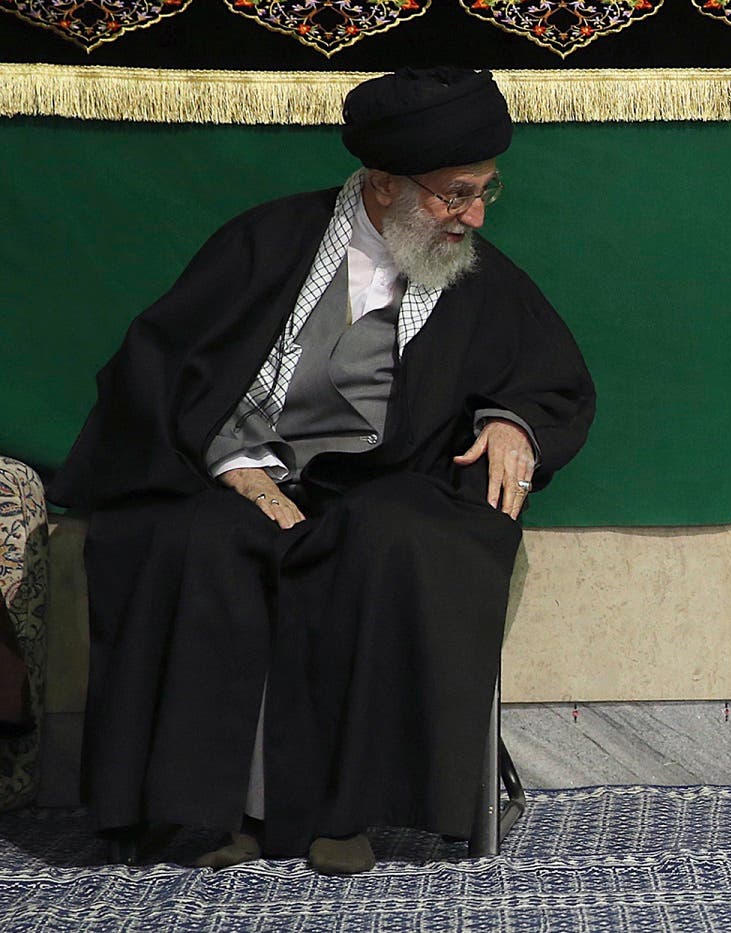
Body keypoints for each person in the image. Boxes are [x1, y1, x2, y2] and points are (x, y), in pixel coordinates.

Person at [47, 67, 596, 874]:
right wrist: (236, 463)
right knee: (193, 541)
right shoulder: (265, 244)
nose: (473, 215)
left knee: (393, 540)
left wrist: (512, 422)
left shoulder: (478, 279)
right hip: (235, 471)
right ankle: (215, 809)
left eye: (484, 191)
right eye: (453, 194)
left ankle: (345, 811)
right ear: (382, 185)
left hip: (382, 486)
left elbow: (547, 379)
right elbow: (163, 370)